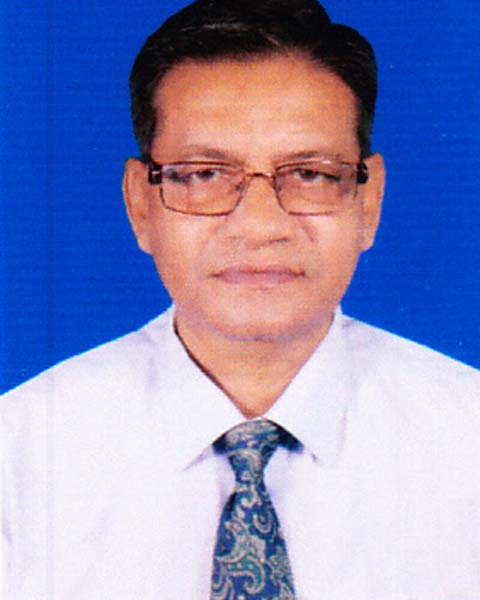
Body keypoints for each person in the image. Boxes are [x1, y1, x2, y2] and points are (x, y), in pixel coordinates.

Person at [2, 0, 479, 598]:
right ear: (140, 205)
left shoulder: (468, 442)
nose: (260, 227)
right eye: (204, 174)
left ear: (369, 201)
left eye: (309, 174)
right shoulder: (20, 458)